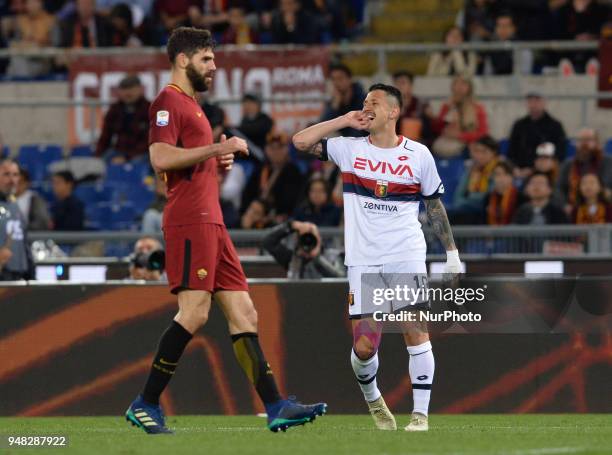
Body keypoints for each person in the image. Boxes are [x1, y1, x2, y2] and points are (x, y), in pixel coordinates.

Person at [125, 27, 325, 435]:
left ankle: (275, 406)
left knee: (244, 312)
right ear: (183, 60)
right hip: (190, 220)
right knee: (194, 313)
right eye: (206, 59)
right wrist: (217, 149)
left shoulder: (193, 106)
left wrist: (212, 164)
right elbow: (159, 156)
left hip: (211, 221)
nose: (214, 66)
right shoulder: (167, 101)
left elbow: (182, 163)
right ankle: (145, 402)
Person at [293, 83, 462, 432]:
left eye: (374, 103)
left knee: (415, 331)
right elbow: (300, 141)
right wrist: (342, 119)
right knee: (366, 348)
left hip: (406, 254)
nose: (367, 107)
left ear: (394, 112)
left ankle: (421, 415)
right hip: (364, 260)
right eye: (364, 102)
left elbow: (433, 206)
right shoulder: (348, 149)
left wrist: (451, 253)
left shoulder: (418, 155)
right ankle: (372, 397)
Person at [241, 132, 305, 221]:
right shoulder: (260, 170)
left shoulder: (293, 171)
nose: (276, 152)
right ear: (266, 150)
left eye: (280, 148)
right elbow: (248, 195)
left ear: (287, 149)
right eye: (272, 148)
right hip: (257, 216)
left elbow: (293, 200)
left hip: (280, 218)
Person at [507, 93, 566, 177]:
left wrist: (536, 168)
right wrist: (515, 168)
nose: (533, 104)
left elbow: (560, 153)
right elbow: (511, 152)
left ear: (544, 102)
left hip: (545, 171)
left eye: (537, 100)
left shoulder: (555, 126)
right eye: (530, 101)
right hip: (520, 171)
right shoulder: (519, 125)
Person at [262, 220, 345, 279]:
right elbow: (267, 242)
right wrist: (291, 225)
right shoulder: (293, 259)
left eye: (312, 236)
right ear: (298, 240)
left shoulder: (334, 256)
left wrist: (317, 257)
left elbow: (341, 278)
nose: (308, 241)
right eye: (304, 237)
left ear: (319, 238)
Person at [96, 75, 150, 163]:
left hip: (142, 153)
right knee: (101, 162)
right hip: (118, 152)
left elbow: (151, 140)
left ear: (140, 89)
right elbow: (105, 136)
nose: (128, 93)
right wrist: (98, 155)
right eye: (124, 89)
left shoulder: (151, 109)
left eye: (132, 89)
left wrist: (127, 158)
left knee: (138, 162)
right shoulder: (114, 110)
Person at [431, 75, 488, 158]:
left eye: (463, 83)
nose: (459, 87)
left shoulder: (477, 108)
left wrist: (460, 136)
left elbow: (483, 133)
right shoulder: (447, 106)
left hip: (467, 146)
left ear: (469, 88)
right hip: (445, 143)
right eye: (456, 83)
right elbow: (436, 129)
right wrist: (446, 110)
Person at [557, 128, 612, 210]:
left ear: (598, 143)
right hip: (574, 209)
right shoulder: (567, 165)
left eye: (589, 140)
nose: (584, 143)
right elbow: (558, 188)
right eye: (580, 140)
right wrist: (564, 205)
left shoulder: (609, 163)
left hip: (606, 209)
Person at [452, 135, 500, 223]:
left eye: (484, 152)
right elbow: (458, 196)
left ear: (494, 153)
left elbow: (486, 199)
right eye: (476, 151)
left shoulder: (498, 170)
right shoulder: (471, 170)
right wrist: (470, 200)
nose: (479, 156)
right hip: (467, 211)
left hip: (487, 213)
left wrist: (470, 197)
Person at [0, 159, 33, 281]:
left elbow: (24, 242)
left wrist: (31, 272)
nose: (12, 179)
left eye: (15, 175)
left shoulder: (15, 205)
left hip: (19, 272)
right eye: (6, 174)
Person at [320, 63, 367, 137]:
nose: (336, 83)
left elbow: (361, 126)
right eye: (333, 79)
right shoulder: (334, 101)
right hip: (344, 142)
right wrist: (335, 104)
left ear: (349, 79)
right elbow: (323, 126)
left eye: (340, 78)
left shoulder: (364, 99)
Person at [391, 71, 431, 142]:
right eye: (397, 83)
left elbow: (428, 131)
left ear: (411, 86)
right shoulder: (389, 105)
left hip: (417, 141)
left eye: (403, 83)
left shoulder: (421, 105)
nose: (399, 86)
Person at [484, 161, 521, 225]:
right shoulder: (488, 198)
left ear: (512, 177)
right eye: (497, 174)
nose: (501, 178)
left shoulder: (520, 197)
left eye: (505, 174)